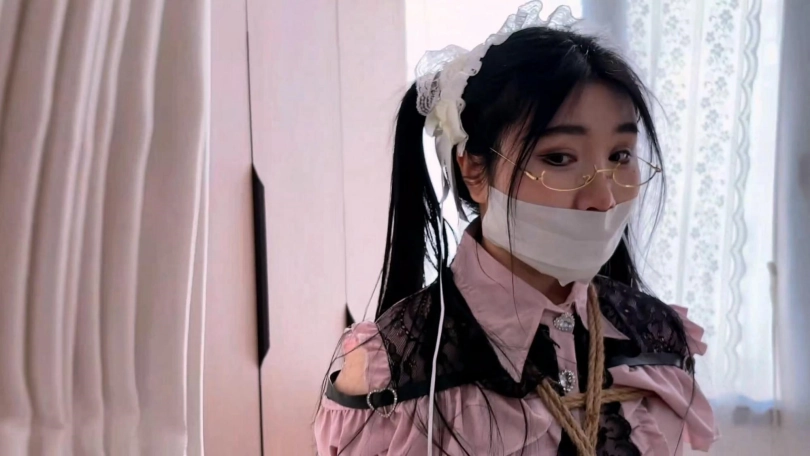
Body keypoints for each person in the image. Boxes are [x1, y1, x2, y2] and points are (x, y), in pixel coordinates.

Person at [315, 3, 717, 455]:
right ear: (473, 169)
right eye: (559, 158)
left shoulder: (658, 337)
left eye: (620, 156)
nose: (603, 198)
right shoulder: (388, 371)